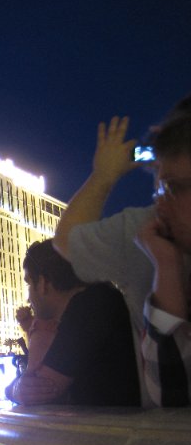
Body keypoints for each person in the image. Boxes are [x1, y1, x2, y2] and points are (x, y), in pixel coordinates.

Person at [53, 98, 191, 406]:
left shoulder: (141, 230)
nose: (161, 202)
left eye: (172, 187)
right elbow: (170, 390)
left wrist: (103, 175)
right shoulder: (151, 234)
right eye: (159, 187)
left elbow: (66, 240)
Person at [5, 240, 140, 406]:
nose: (28, 297)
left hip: (117, 427)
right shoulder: (97, 299)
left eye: (29, 283)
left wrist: (13, 390)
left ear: (43, 283)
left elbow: (42, 389)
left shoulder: (88, 307)